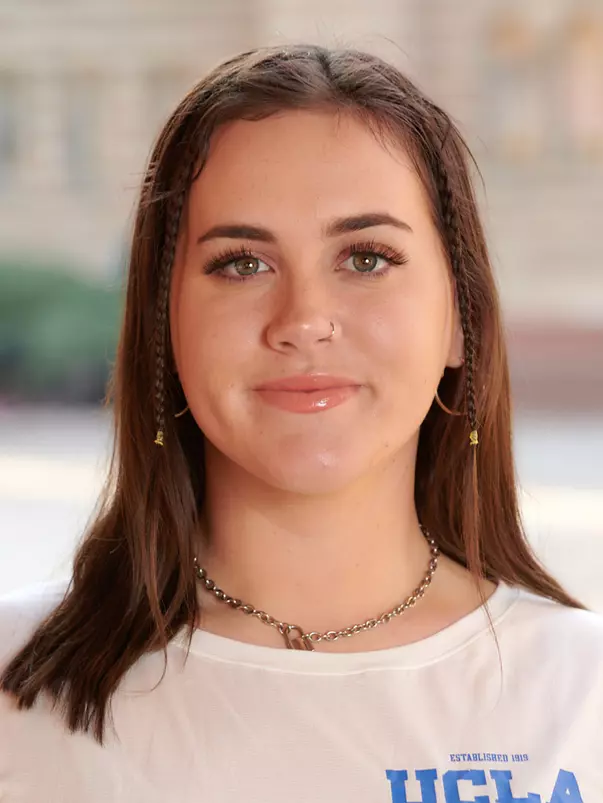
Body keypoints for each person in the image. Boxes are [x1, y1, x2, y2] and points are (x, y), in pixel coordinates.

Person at [0, 44, 601, 803]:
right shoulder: (17, 688)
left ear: (460, 318)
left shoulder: (583, 695)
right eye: (242, 263)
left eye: (366, 258)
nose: (304, 319)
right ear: (164, 327)